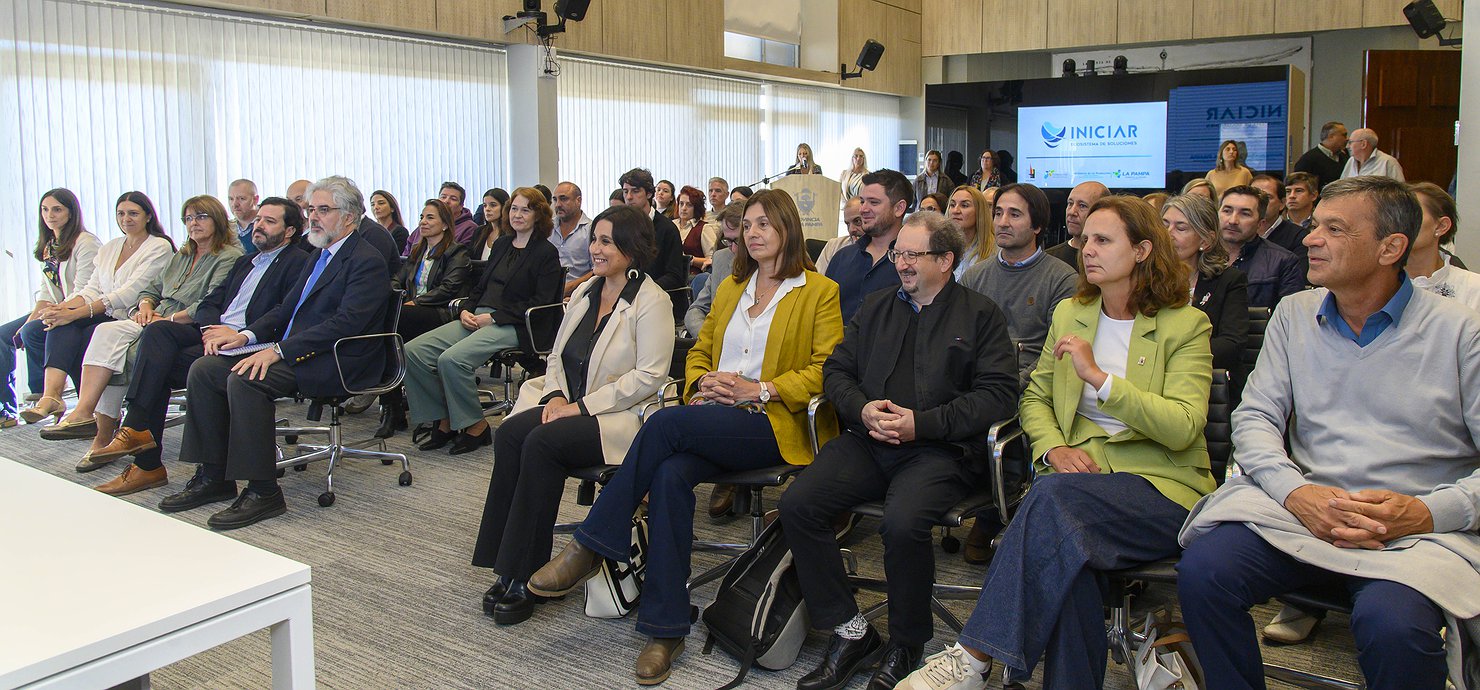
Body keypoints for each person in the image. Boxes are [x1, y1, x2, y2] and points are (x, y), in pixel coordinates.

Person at [895, 195, 1215, 690]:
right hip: (1076, 485)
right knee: (1069, 557)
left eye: (1103, 240)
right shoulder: (1072, 312)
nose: (1088, 250)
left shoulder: (1185, 324)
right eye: (1086, 239)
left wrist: (1100, 380)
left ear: (1143, 250)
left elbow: (1183, 426)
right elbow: (1036, 398)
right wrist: (1052, 450)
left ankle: (974, 656)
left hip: (1159, 488)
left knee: (1050, 504)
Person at [527, 189, 843, 686]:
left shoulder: (818, 291)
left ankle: (592, 542)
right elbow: (699, 350)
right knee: (670, 475)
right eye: (748, 225)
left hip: (774, 422)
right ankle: (666, 628)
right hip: (713, 418)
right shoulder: (733, 287)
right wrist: (701, 384)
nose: (753, 233)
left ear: (788, 229)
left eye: (764, 224)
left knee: (664, 424)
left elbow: (826, 370)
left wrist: (758, 388)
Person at [1176, 176, 1475, 690]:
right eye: (1314, 226)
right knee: (1205, 572)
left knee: (1393, 625)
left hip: (1413, 530)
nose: (1311, 239)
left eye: (1334, 229)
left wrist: (1426, 512)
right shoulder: (1294, 314)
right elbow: (1256, 417)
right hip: (1307, 510)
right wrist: (1297, 493)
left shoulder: (1462, 330)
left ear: (1390, 248)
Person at [780, 211, 1019, 690]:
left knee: (903, 522)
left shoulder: (980, 314)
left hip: (940, 448)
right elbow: (836, 372)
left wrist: (921, 425)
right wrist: (862, 409)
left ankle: (907, 643)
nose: (902, 263)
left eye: (914, 254)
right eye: (898, 253)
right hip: (869, 440)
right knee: (798, 504)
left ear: (946, 260)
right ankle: (851, 631)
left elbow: (998, 396)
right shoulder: (876, 306)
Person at [471, 205, 674, 625]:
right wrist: (556, 397)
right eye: (594, 239)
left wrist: (579, 407)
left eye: (606, 242)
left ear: (631, 249)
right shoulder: (585, 293)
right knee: (510, 434)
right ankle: (503, 563)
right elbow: (557, 356)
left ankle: (524, 573)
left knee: (542, 444)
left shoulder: (652, 301)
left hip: (617, 417)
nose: (594, 249)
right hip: (568, 404)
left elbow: (650, 376)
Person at [154, 176, 389, 530]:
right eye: (311, 209)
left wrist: (279, 351)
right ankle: (214, 477)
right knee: (205, 369)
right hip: (299, 349)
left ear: (350, 216)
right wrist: (245, 335)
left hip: (338, 358)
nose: (313, 217)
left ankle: (264, 492)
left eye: (323, 210)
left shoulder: (365, 260)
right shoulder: (319, 254)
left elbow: (345, 324)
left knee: (247, 380)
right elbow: (285, 310)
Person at [90, 198, 309, 496]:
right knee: (158, 335)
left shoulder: (299, 261)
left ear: (289, 231)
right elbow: (209, 303)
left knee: (165, 368)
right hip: (215, 336)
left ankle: (148, 459)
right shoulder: (247, 261)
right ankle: (138, 438)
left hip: (254, 343)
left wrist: (241, 334)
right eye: (258, 219)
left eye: (269, 221)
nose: (258, 225)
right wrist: (209, 331)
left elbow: (284, 311)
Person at [52, 196, 242, 477]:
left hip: (188, 326)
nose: (193, 223)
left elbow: (209, 304)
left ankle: (123, 432)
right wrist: (144, 306)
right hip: (156, 321)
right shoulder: (183, 254)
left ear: (217, 219)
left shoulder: (228, 256)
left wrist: (167, 319)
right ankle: (88, 416)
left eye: (201, 217)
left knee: (129, 347)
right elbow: (151, 289)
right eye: (188, 218)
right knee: (104, 334)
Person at [404, 188, 563, 455]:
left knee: (452, 360)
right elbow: (480, 287)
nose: (517, 215)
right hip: (479, 315)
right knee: (413, 352)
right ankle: (443, 420)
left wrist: (494, 317)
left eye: (525, 210)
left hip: (515, 323)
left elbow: (541, 301)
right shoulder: (501, 244)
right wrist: (465, 310)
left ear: (538, 215)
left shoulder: (545, 252)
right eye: (514, 209)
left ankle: (476, 426)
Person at [20, 192, 174, 426]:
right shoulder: (111, 247)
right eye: (121, 213)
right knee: (54, 325)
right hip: (105, 313)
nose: (126, 219)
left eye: (133, 213)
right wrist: (62, 310)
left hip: (131, 315)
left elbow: (127, 294)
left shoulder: (159, 246)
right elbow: (91, 288)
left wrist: (74, 313)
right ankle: (52, 396)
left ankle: (87, 409)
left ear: (148, 216)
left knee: (78, 331)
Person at [960, 182, 1078, 388]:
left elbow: (1056, 353)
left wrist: (1009, 387)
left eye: (1014, 215)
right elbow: (958, 340)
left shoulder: (1062, 279)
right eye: (998, 213)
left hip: (1031, 389)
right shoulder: (973, 277)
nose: (1002, 222)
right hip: (975, 386)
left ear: (1037, 226)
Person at [1, 189, 101, 428]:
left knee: (33, 330)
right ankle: (6, 410)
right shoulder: (50, 245)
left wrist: (53, 313)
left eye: (57, 209)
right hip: (57, 306)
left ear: (71, 213)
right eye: (45, 210)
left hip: (83, 307)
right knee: (6, 335)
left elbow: (86, 289)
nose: (50, 215)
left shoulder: (86, 242)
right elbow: (46, 292)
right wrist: (31, 319)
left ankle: (45, 393)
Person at [378, 200, 472, 439]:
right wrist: (394, 295)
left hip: (439, 313)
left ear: (445, 224)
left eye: (430, 217)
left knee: (391, 324)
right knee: (387, 329)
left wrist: (416, 302)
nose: (423, 222)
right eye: (422, 217)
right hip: (411, 312)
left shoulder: (456, 251)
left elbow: (449, 288)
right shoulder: (418, 250)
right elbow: (397, 279)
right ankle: (392, 405)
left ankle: (393, 407)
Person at [1163, 193, 1249, 374]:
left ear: (1206, 240)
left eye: (1181, 228)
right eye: (1164, 225)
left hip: (1204, 375)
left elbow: (1232, 344)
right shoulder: (1145, 278)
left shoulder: (1229, 280)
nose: (1168, 234)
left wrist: (1178, 355)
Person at [827, 169, 912, 322]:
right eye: (862, 201)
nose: (863, 209)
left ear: (899, 208)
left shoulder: (913, 262)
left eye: (873, 202)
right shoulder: (842, 257)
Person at [1219, 185, 1305, 308]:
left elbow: (1291, 314)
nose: (1233, 220)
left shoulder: (1284, 262)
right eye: (1227, 211)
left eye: (1245, 214)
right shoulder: (1200, 254)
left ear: (1260, 223)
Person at [619, 168, 690, 306]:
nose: (629, 197)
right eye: (625, 191)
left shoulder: (667, 229)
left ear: (649, 193)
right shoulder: (619, 227)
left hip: (657, 300)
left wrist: (642, 291)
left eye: (635, 191)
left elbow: (674, 276)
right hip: (625, 297)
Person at [684, 202, 745, 338]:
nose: (733, 249)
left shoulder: (767, 266)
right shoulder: (721, 258)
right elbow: (696, 310)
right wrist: (708, 338)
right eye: (728, 241)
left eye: (738, 240)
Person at [1046, 181, 1108, 268]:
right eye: (1070, 203)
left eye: (1082, 206)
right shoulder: (1049, 259)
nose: (1072, 212)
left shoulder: (1111, 258)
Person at [1252, 174, 1309, 267]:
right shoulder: (1237, 231)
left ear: (1282, 203)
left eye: (1267, 197)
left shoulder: (1299, 237)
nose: (1258, 202)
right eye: (1253, 196)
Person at [550, 182, 593, 296]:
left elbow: (596, 271)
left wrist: (570, 287)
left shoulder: (591, 230)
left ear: (578, 201)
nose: (558, 204)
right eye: (555, 199)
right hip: (546, 293)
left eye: (563, 199)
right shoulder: (547, 228)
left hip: (578, 294)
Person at [946, 185, 995, 281]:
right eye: (952, 205)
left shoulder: (995, 251)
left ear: (979, 211)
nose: (956, 211)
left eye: (964, 205)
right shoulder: (939, 247)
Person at [1292, 121, 1350, 191]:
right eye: (1344, 135)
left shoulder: (1344, 156)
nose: (1347, 139)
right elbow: (1298, 187)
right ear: (1331, 136)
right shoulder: (1309, 160)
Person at [815, 197, 865, 277]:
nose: (851, 229)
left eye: (857, 221)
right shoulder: (833, 245)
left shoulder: (882, 250)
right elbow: (818, 279)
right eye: (847, 224)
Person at [675, 185, 714, 274]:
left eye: (689, 205)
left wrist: (690, 260)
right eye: (681, 203)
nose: (684, 208)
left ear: (696, 208)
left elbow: (712, 260)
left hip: (693, 276)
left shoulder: (704, 228)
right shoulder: (671, 224)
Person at [467, 188, 510, 261]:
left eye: (493, 205)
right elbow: (470, 259)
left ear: (504, 207)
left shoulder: (510, 233)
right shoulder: (479, 231)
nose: (487, 209)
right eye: (485, 205)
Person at [370, 189, 410, 256]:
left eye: (381, 203)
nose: (375, 207)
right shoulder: (369, 231)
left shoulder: (400, 232)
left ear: (392, 208)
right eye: (372, 204)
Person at [227, 179, 260, 257]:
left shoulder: (266, 226)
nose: (235, 204)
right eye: (231, 199)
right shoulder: (226, 229)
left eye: (242, 198)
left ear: (255, 200)